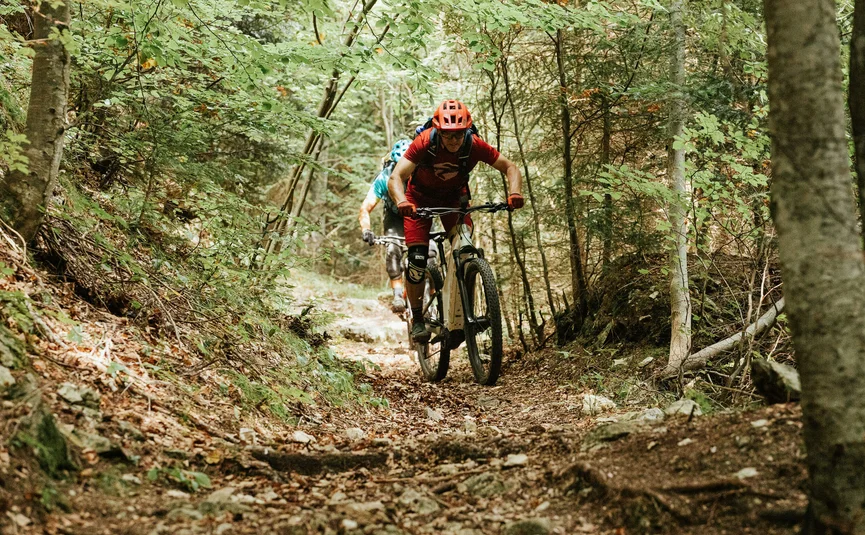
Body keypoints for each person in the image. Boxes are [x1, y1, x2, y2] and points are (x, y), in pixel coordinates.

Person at [388, 99, 524, 342]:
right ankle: (417, 319)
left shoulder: (474, 145)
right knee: (417, 261)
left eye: (458, 135)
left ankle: (459, 318)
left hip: (454, 199)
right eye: (448, 135)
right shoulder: (424, 142)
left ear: (466, 132)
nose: (453, 140)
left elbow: (510, 167)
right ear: (438, 131)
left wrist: (514, 192)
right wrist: (402, 201)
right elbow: (396, 177)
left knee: (464, 251)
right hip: (418, 200)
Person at [359, 139, 413, 313]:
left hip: (419, 216)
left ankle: (432, 300)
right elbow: (365, 208)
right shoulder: (384, 178)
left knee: (432, 254)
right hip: (395, 217)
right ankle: (397, 295)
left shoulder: (424, 173)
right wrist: (366, 230)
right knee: (393, 250)